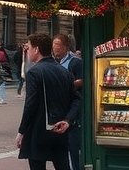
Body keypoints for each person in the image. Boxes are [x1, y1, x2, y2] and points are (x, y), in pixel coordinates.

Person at [16, 33, 80, 170]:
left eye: (29, 48)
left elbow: (30, 105)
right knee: (63, 165)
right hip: (60, 130)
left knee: (37, 166)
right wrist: (68, 120)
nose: (27, 52)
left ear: (37, 50)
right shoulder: (65, 72)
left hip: (39, 131)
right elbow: (76, 99)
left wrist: (22, 131)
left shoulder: (34, 72)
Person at [52, 33, 84, 170]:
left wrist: (65, 85)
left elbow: (82, 80)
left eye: (57, 45)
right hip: (58, 108)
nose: (54, 48)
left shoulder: (75, 62)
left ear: (65, 46)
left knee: (72, 145)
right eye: (53, 45)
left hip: (71, 107)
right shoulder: (52, 62)